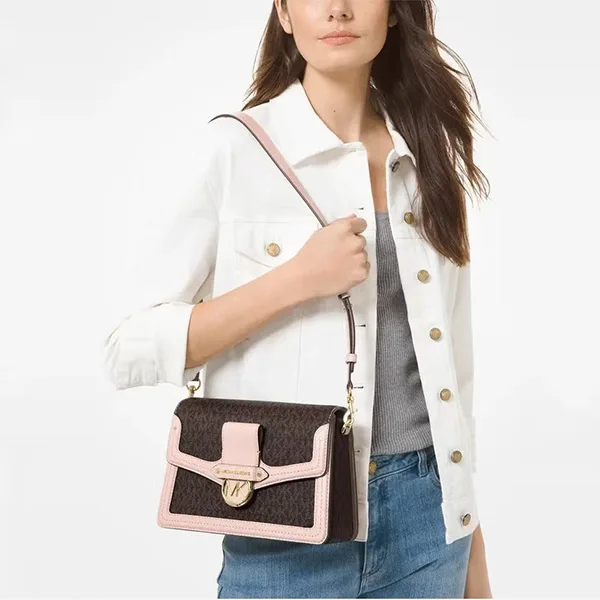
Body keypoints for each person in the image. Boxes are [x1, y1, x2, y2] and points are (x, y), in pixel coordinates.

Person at [103, 0, 493, 597]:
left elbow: (453, 376)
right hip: (283, 515)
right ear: (284, 13)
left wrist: (471, 550)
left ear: (394, 11)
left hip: (429, 522)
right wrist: (294, 281)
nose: (338, 9)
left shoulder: (427, 156)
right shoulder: (234, 150)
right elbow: (125, 349)